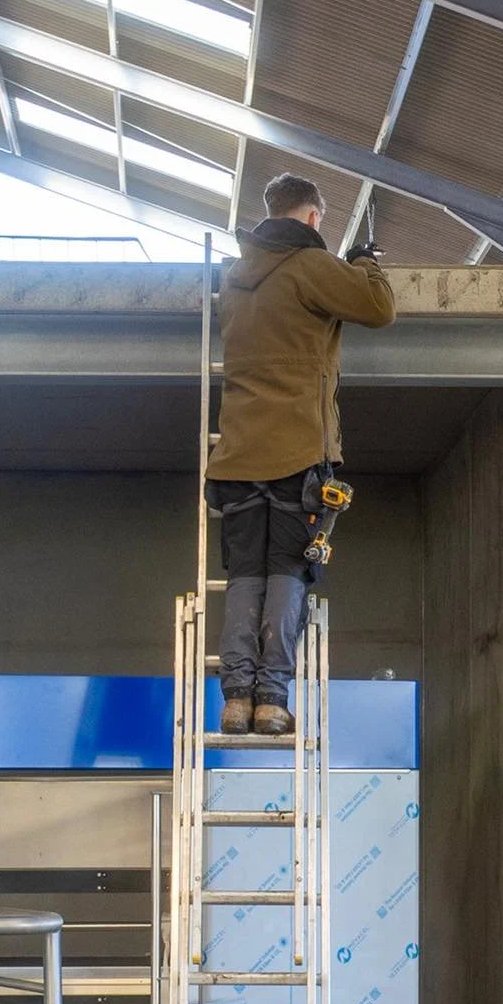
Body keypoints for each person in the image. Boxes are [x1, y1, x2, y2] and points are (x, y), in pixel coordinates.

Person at [206, 172, 395, 738]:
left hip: (236, 455)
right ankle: (271, 700)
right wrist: (363, 262)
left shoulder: (237, 274)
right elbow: (378, 307)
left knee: (245, 574)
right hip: (297, 451)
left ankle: (235, 698)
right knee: (288, 572)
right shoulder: (311, 266)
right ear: (313, 218)